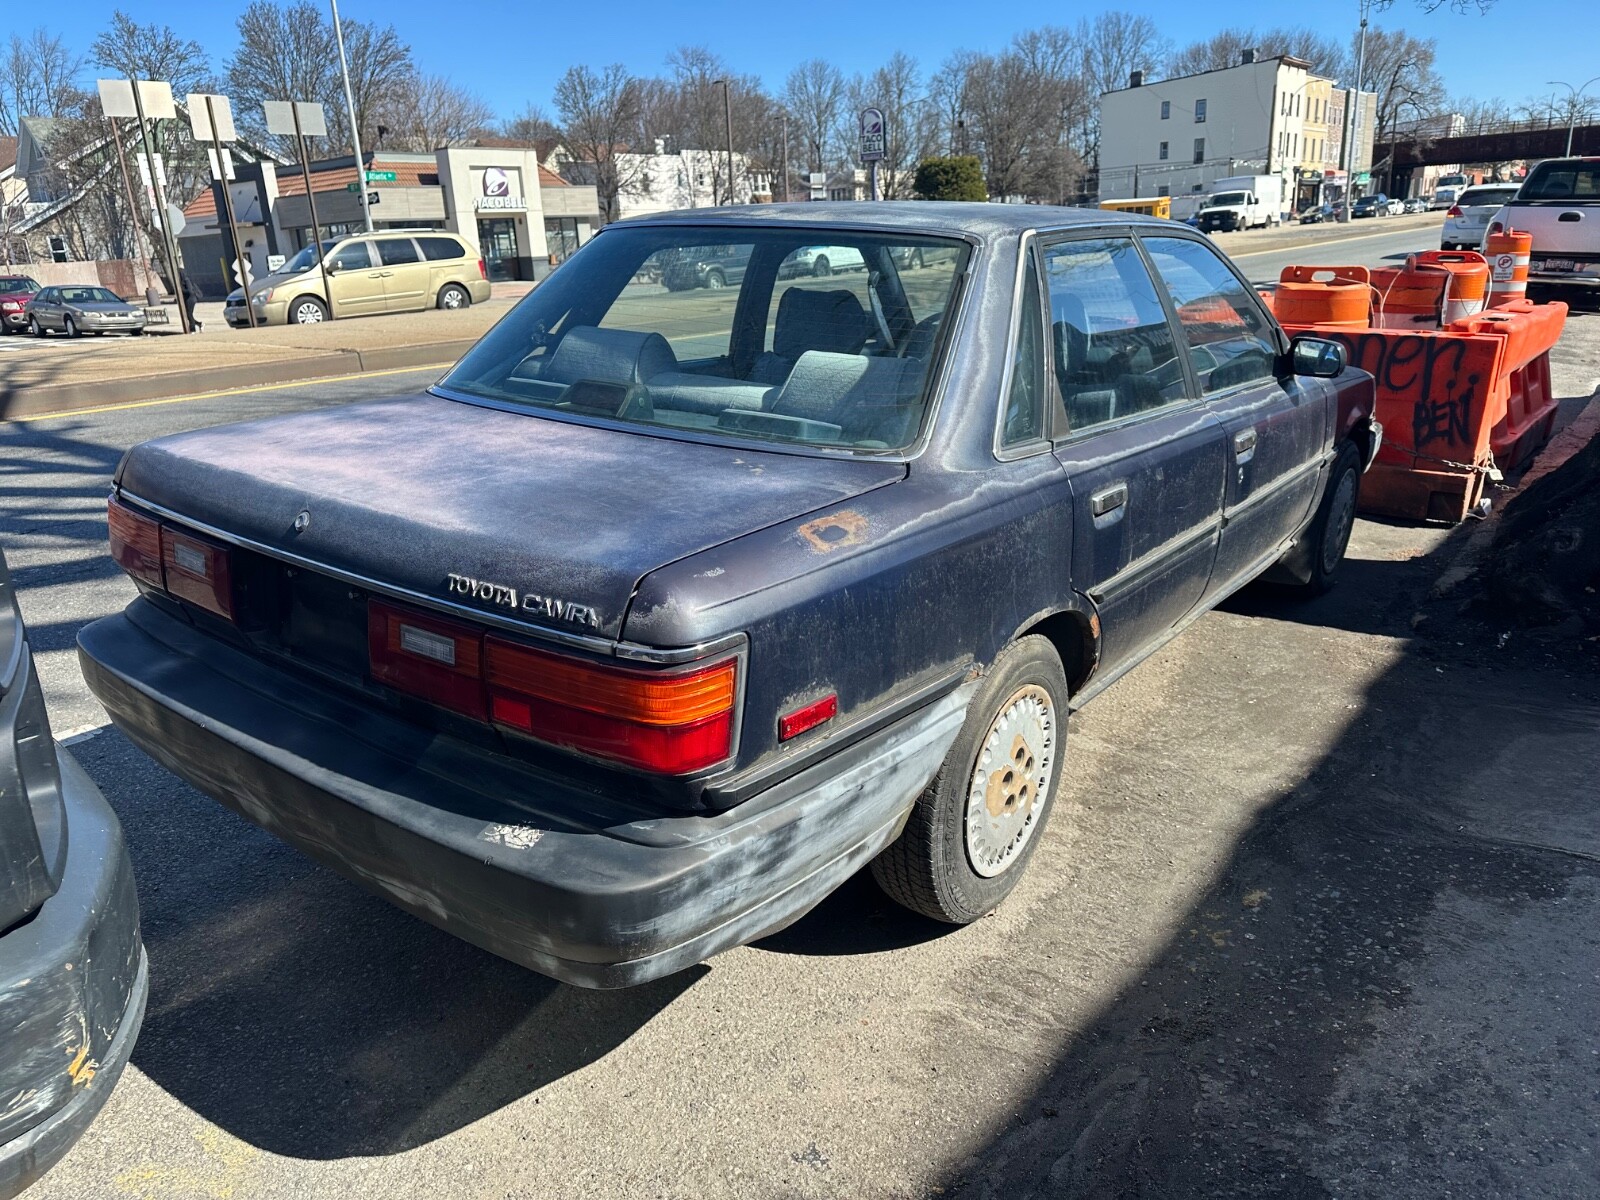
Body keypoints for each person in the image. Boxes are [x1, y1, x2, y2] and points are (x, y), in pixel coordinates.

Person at [176, 266, 201, 332]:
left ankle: (192, 329)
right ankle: (199, 324)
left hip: (191, 299)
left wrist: (181, 290)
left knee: (189, 314)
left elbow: (190, 291)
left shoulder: (186, 280)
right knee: (188, 315)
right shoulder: (181, 281)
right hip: (188, 299)